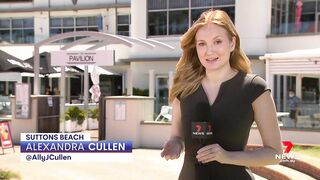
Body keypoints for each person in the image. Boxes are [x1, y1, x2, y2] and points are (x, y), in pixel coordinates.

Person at [160, 9, 282, 180]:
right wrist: (174, 145)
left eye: (217, 41)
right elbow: (177, 136)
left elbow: (275, 154)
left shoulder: (255, 88)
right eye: (202, 43)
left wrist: (227, 157)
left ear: (232, 43)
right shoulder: (184, 90)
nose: (209, 51)